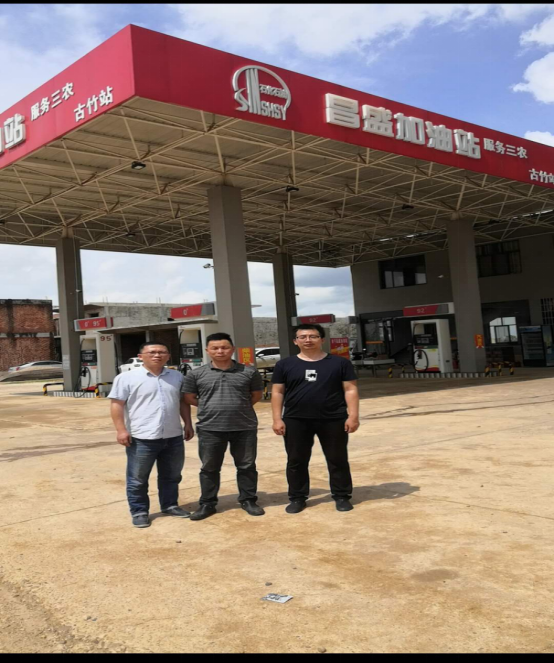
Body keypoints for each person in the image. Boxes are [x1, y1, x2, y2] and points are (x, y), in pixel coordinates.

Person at [271, 324, 360, 513]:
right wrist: (277, 419)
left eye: (313, 336)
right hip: (296, 419)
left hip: (333, 418)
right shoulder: (284, 365)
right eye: (302, 337)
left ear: (322, 339)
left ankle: (342, 496)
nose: (308, 340)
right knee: (296, 460)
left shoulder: (339, 363)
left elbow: (350, 389)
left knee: (337, 458)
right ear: (295, 341)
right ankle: (297, 497)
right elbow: (278, 392)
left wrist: (353, 416)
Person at [109, 342, 195, 528]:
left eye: (162, 352)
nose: (157, 355)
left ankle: (170, 505)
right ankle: (139, 511)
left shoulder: (176, 376)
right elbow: (117, 405)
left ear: (168, 356)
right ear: (141, 356)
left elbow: (182, 402)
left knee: (172, 475)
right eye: (152, 352)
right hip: (142, 437)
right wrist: (121, 430)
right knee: (138, 479)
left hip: (173, 436)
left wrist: (187, 423)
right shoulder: (126, 378)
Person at [182, 332, 265, 520]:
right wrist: (211, 406)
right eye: (215, 348)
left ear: (232, 349)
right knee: (209, 468)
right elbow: (189, 398)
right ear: (207, 350)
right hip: (210, 428)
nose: (220, 351)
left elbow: (256, 395)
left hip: (244, 427)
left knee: (246, 466)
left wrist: (237, 407)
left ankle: (248, 500)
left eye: (225, 347)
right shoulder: (196, 374)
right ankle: (207, 503)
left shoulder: (249, 372)